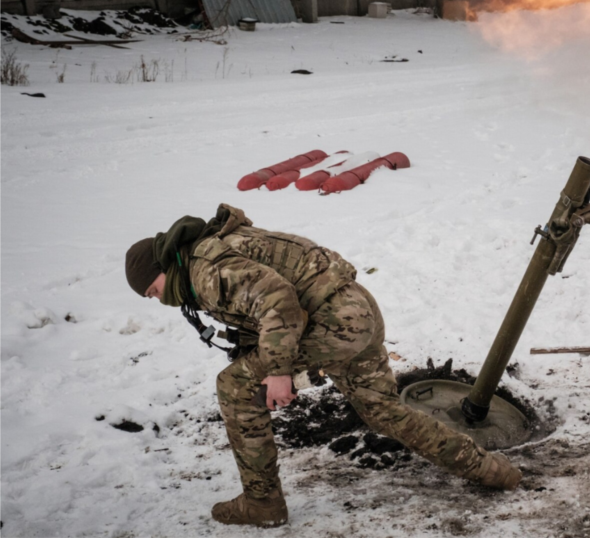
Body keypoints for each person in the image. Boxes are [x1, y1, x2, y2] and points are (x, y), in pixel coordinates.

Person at [124, 204, 521, 528]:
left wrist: (278, 371)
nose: (157, 299)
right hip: (357, 311)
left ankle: (262, 503)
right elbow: (260, 306)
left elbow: (277, 299)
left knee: (233, 387)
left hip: (333, 323)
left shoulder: (205, 270)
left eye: (152, 290)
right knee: (385, 412)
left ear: (161, 269)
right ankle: (494, 472)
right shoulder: (214, 247)